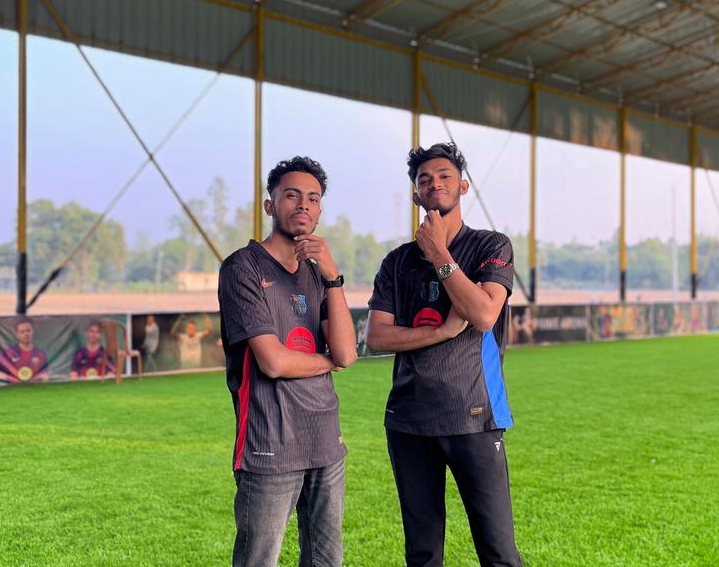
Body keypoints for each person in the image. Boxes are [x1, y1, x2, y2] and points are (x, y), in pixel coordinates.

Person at [367, 142, 522, 567]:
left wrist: (439, 254)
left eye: (444, 176)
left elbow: (483, 314)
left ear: (463, 186)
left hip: (474, 416)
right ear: (416, 194)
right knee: (422, 553)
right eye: (424, 179)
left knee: (498, 551)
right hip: (409, 421)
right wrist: (441, 331)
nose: (434, 183)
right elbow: (376, 337)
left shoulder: (491, 245)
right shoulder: (397, 262)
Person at [218, 156, 357, 567]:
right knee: (259, 560)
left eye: (313, 198)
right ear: (270, 205)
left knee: (326, 560)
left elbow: (347, 353)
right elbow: (273, 362)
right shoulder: (242, 267)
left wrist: (332, 276)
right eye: (292, 195)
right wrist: (326, 361)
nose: (303, 205)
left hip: (326, 443)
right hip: (270, 445)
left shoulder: (317, 274)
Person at [0, 317, 50, 384]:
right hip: (13, 389)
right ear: (17, 334)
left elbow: (45, 376)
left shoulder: (40, 354)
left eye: (28, 330)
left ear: (33, 332)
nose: (26, 334)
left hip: (34, 389)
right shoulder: (9, 353)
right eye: (22, 332)